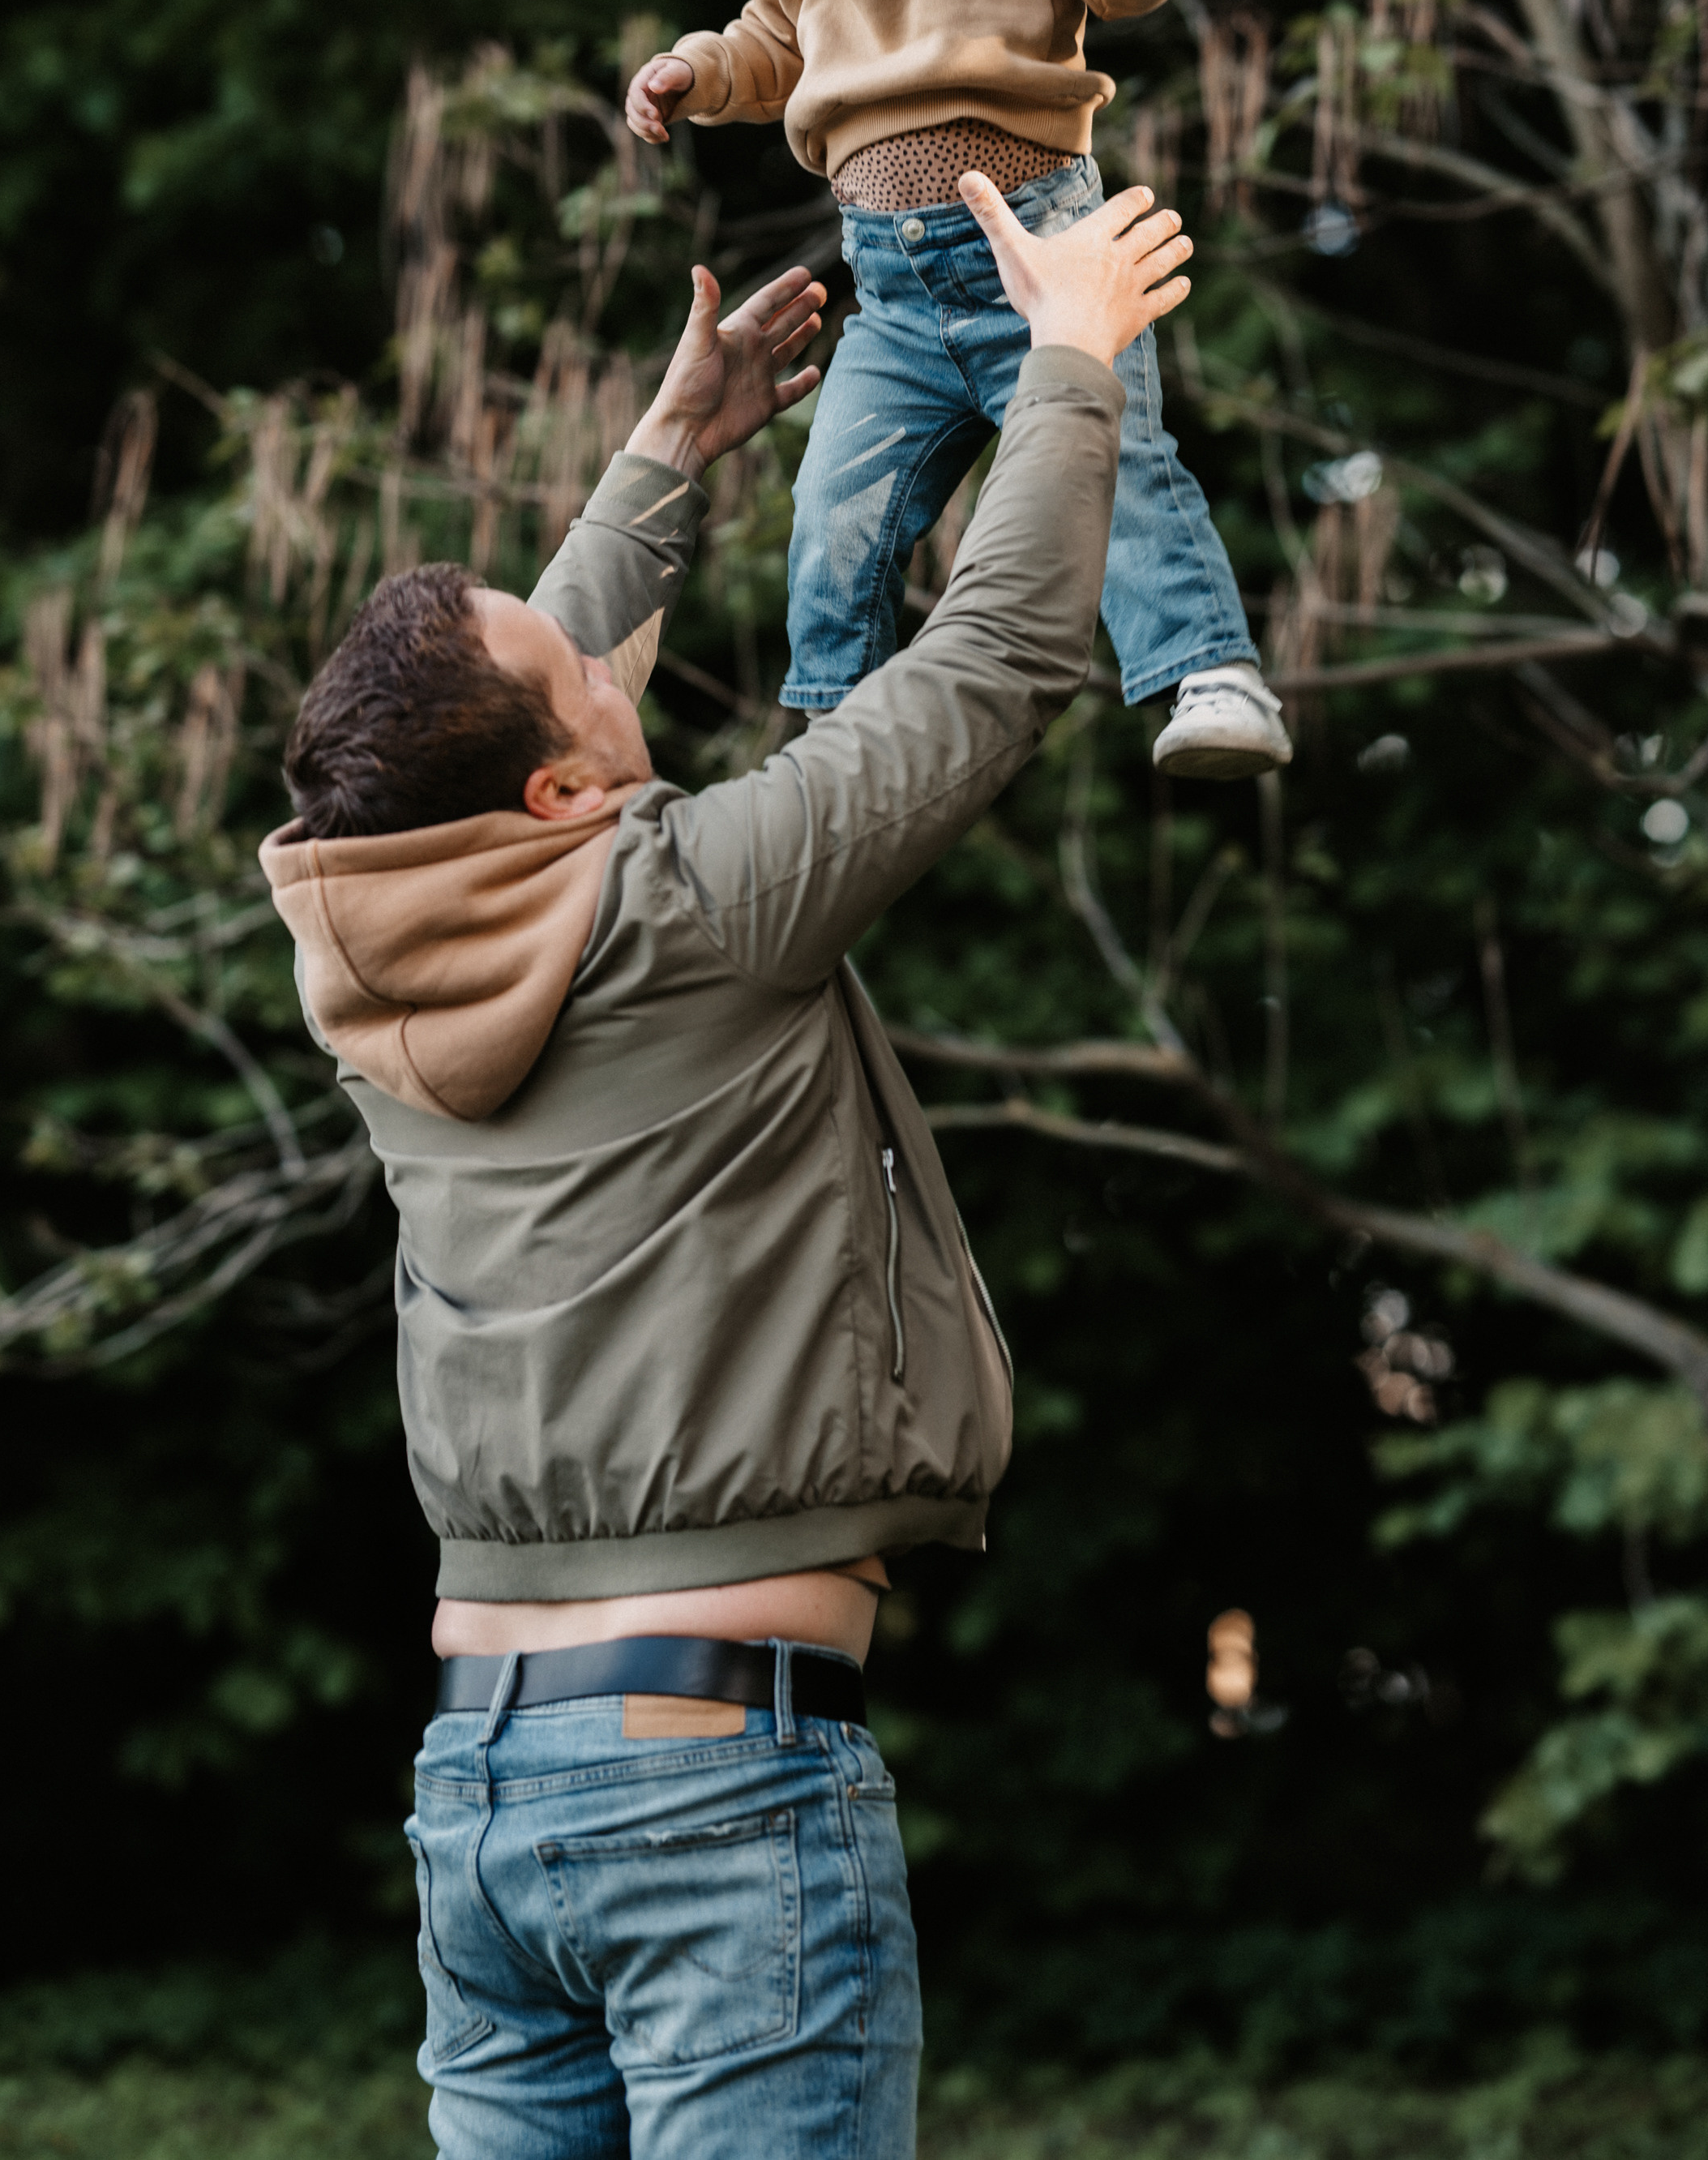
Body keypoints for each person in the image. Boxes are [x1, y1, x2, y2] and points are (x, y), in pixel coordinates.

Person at [259, 175, 1195, 2158]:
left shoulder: (374, 972)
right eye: (587, 671)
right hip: (712, 1783)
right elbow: (995, 656)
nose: (618, 661)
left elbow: (498, 733)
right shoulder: (691, 908)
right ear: (560, 789)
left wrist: (671, 449)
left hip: (479, 1794)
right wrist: (1070, 357)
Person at [626, 0, 1288, 782]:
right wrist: (696, 73)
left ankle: (1212, 674)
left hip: (1039, 252)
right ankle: (837, 740)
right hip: (890, 293)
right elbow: (770, 48)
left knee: (1115, 462)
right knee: (834, 509)